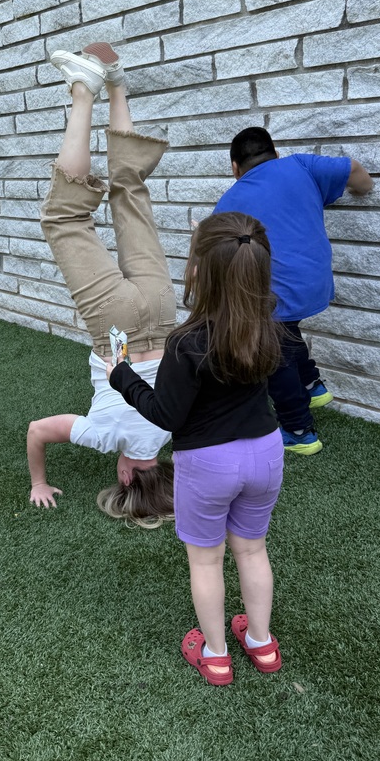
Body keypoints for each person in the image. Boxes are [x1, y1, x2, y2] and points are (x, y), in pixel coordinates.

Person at [109, 211, 284, 686]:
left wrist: (121, 376)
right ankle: (262, 645)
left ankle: (216, 654)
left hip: (209, 463)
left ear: (198, 271)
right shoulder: (272, 326)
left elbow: (166, 414)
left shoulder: (186, 342)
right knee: (252, 551)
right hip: (267, 453)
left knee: (206, 560)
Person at [27, 43, 176, 525]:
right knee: (65, 217)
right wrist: (38, 481)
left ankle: (115, 82)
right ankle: (82, 91)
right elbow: (37, 431)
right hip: (118, 331)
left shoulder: (175, 431)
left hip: (164, 312)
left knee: (131, 193)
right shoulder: (104, 436)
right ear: (129, 477)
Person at [214, 127, 374, 454]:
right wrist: (365, 189)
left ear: (234, 167)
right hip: (317, 283)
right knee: (285, 330)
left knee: (273, 354)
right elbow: (355, 171)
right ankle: (312, 386)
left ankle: (299, 431)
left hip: (276, 293)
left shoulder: (229, 201)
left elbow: (223, 257)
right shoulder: (302, 165)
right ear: (276, 150)